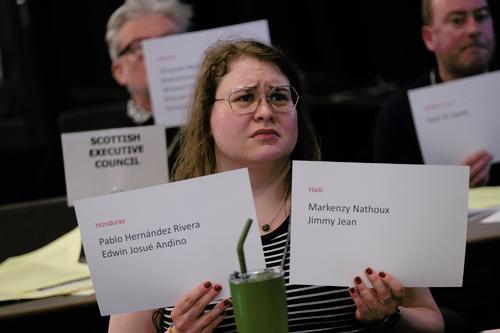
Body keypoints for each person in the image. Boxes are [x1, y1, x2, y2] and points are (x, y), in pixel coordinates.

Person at [108, 40, 444, 333]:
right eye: (245, 98)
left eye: (279, 97)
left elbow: (432, 320)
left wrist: (389, 318)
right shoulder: (155, 220)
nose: (266, 111)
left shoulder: (357, 199)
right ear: (206, 118)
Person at [373, 0, 499, 187]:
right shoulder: (400, 113)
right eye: (457, 20)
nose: (474, 29)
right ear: (429, 38)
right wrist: (445, 190)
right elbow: (387, 195)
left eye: (481, 16)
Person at [105, 0, 192, 165]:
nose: (157, 54)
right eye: (140, 46)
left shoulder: (224, 120)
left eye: (169, 41)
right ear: (119, 71)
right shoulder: (107, 140)